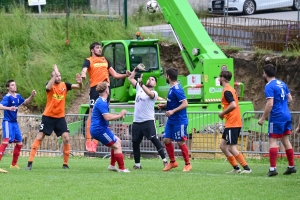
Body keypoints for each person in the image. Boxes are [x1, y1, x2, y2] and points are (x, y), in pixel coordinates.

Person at [26, 64, 82, 170]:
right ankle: (30, 162)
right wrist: (54, 74)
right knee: (39, 137)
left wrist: (80, 82)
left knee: (66, 138)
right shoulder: (50, 85)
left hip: (60, 118)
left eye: (59, 75)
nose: (58, 77)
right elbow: (48, 87)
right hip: (48, 116)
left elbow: (79, 87)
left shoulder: (65, 85)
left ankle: (65, 164)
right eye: (56, 75)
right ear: (52, 77)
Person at [81, 42, 131, 153]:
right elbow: (84, 69)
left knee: (105, 114)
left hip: (107, 89)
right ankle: (89, 141)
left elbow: (116, 75)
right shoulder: (89, 60)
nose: (99, 49)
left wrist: (126, 75)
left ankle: (95, 142)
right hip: (95, 89)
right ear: (92, 50)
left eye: (100, 48)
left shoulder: (105, 60)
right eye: (97, 48)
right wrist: (83, 74)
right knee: (92, 113)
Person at [258, 64, 296, 177]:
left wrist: (263, 118)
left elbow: (270, 103)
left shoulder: (269, 86)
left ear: (265, 74)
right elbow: (290, 98)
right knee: (285, 140)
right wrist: (283, 105)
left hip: (277, 116)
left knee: (273, 140)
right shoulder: (282, 83)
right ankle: (291, 166)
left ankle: (273, 168)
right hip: (286, 115)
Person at [128, 67, 168, 170]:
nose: (150, 80)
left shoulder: (155, 93)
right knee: (135, 143)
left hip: (148, 121)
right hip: (137, 121)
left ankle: (165, 161)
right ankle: (137, 164)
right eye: (149, 78)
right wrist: (136, 69)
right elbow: (130, 78)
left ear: (155, 84)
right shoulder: (139, 88)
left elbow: (149, 94)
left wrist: (142, 84)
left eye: (153, 79)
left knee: (154, 140)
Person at [90, 81, 130, 173]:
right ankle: (122, 168)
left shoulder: (102, 101)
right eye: (108, 88)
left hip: (101, 128)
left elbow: (107, 115)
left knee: (118, 141)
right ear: (107, 91)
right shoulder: (101, 102)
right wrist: (120, 115)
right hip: (99, 129)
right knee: (117, 145)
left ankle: (112, 166)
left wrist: (118, 115)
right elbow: (107, 117)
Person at [157, 67, 192, 172]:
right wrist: (164, 105)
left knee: (181, 142)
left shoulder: (177, 89)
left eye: (165, 76)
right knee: (166, 139)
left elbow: (185, 103)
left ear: (168, 77)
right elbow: (174, 102)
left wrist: (172, 111)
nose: (165, 78)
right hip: (171, 120)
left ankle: (188, 164)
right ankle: (173, 162)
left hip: (179, 120)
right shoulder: (172, 89)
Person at [218, 71, 252, 174]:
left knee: (231, 147)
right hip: (231, 122)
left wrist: (222, 113)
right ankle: (236, 168)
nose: (219, 79)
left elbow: (233, 105)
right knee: (223, 146)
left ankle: (247, 168)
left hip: (233, 122)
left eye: (219, 77)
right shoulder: (230, 89)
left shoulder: (227, 91)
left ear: (223, 78)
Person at [0, 80, 36, 173]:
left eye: (15, 84)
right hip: (7, 122)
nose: (14, 86)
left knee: (19, 143)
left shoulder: (18, 96)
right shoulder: (7, 97)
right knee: (6, 141)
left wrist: (32, 96)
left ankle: (14, 164)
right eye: (12, 85)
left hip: (14, 123)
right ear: (8, 87)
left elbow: (25, 102)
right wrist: (8, 108)